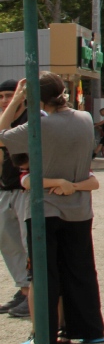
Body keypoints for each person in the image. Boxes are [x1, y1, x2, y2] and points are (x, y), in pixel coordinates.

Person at [0, 73, 104, 344]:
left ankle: (43, 336)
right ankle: (89, 329)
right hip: (80, 207)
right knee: (80, 270)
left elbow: (2, 136)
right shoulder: (84, 119)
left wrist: (17, 101)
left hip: (45, 207)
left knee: (44, 275)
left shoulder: (38, 126)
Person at [0, 80, 29, 319]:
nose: (4, 101)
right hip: (4, 190)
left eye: (9, 95)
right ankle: (23, 289)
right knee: (9, 243)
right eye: (1, 97)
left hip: (23, 190)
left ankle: (31, 293)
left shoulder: (28, 119)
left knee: (27, 243)